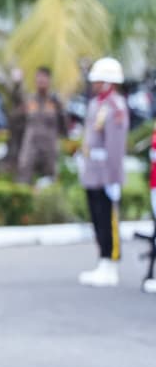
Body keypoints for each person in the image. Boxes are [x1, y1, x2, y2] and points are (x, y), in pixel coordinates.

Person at [77, 57, 128, 287]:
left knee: (109, 220)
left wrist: (114, 178)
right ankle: (103, 260)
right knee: (97, 219)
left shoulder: (116, 106)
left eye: (98, 80)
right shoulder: (96, 104)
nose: (94, 84)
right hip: (93, 172)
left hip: (107, 173)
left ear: (108, 82)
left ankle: (112, 263)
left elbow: (115, 147)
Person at [15, 66, 66, 184]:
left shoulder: (55, 102)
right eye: (39, 78)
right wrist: (17, 84)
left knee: (51, 179)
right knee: (24, 174)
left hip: (49, 147)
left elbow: (64, 126)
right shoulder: (29, 100)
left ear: (49, 81)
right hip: (30, 145)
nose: (41, 81)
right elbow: (16, 116)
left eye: (44, 78)